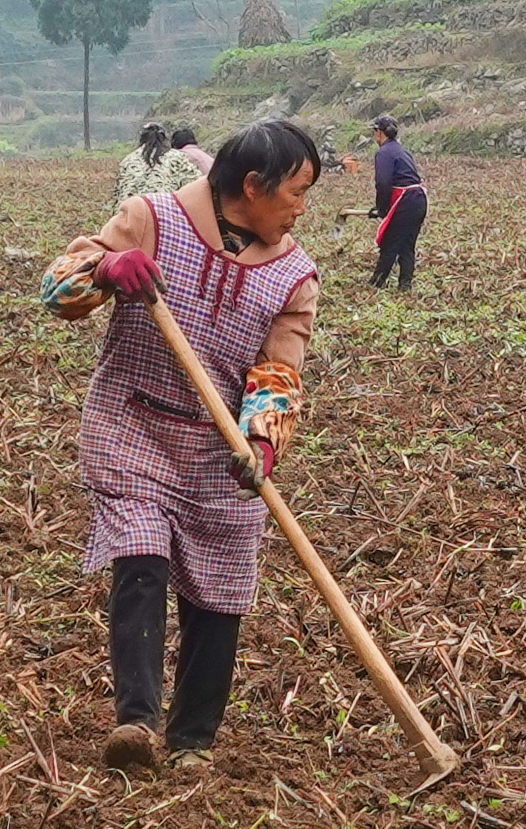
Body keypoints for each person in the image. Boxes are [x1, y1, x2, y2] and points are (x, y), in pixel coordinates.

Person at [43, 115, 329, 774]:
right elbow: (59, 290)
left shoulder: (295, 278)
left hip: (218, 446)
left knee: (222, 587)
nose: (301, 209)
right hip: (133, 421)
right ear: (252, 187)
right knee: (140, 553)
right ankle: (135, 723)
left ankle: (193, 741)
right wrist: (109, 268)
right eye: (297, 191)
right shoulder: (150, 218)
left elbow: (278, 372)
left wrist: (262, 441)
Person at [363, 114, 428, 294]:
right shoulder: (401, 150)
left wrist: (381, 209)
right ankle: (405, 285)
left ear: (378, 133)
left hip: (406, 200)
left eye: (374, 132)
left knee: (390, 242)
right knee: (407, 244)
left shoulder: (383, 153)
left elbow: (383, 183)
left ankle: (376, 283)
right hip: (419, 199)